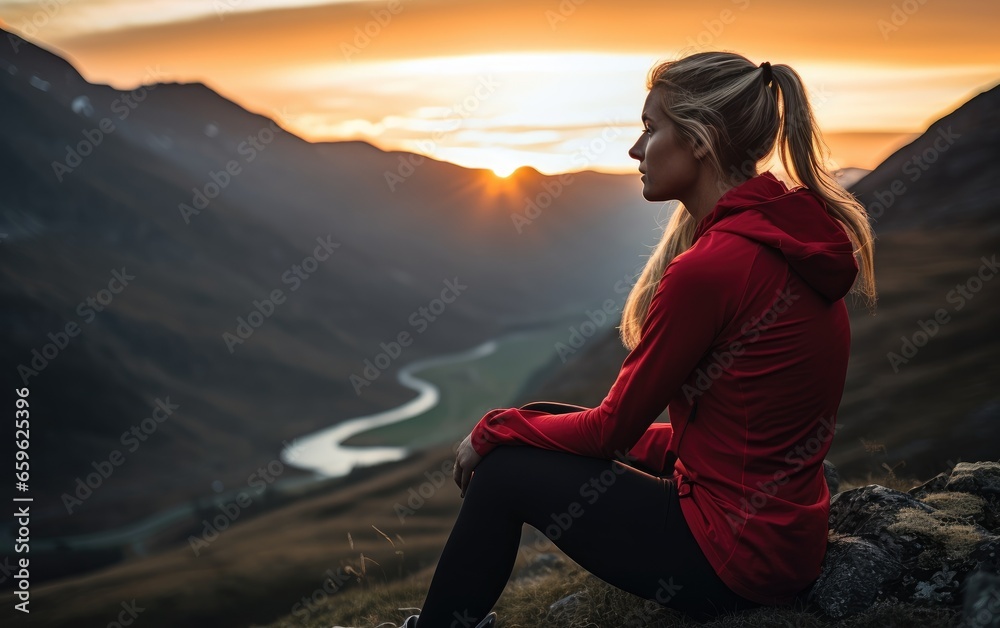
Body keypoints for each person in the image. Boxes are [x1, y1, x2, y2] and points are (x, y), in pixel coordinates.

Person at [399, 51, 876, 628]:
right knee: (539, 422)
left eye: (651, 128)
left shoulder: (712, 269)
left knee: (504, 471)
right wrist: (525, 423)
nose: (635, 149)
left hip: (733, 557)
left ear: (699, 140)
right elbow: (733, 434)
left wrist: (490, 429)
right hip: (782, 539)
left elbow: (609, 431)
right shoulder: (790, 238)